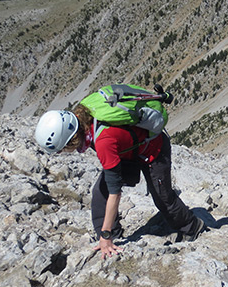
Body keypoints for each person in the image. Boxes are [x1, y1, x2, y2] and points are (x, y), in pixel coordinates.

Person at [34, 106, 206, 259]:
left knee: (163, 198)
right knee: (100, 192)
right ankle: (113, 240)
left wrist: (106, 233)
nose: (65, 152)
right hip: (129, 151)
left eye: (64, 148)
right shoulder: (85, 114)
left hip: (154, 151)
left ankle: (192, 227)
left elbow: (115, 193)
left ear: (71, 138)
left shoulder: (102, 141)